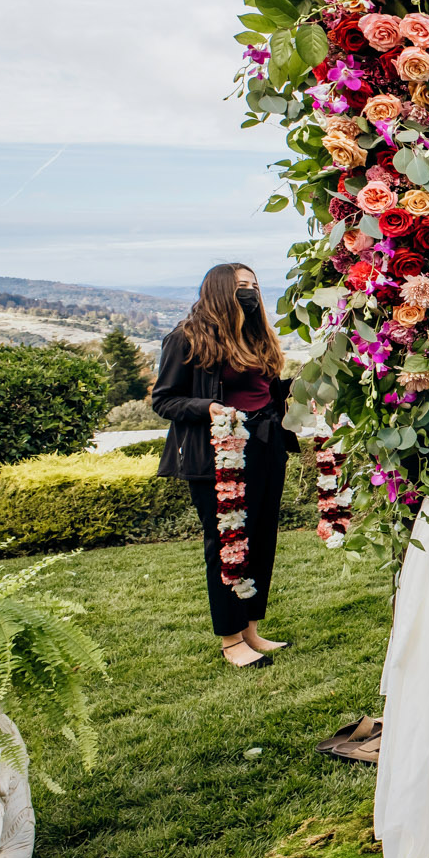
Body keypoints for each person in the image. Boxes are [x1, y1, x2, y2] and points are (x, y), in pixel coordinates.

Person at [151, 263, 297, 669]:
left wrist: (297, 392)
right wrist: (209, 408)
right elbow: (164, 400)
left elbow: (264, 391)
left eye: (253, 285)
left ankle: (250, 628)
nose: (249, 292)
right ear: (218, 291)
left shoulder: (257, 335)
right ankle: (231, 639)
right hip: (219, 456)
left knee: (261, 540)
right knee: (228, 545)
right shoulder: (186, 338)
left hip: (267, 447)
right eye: (240, 286)